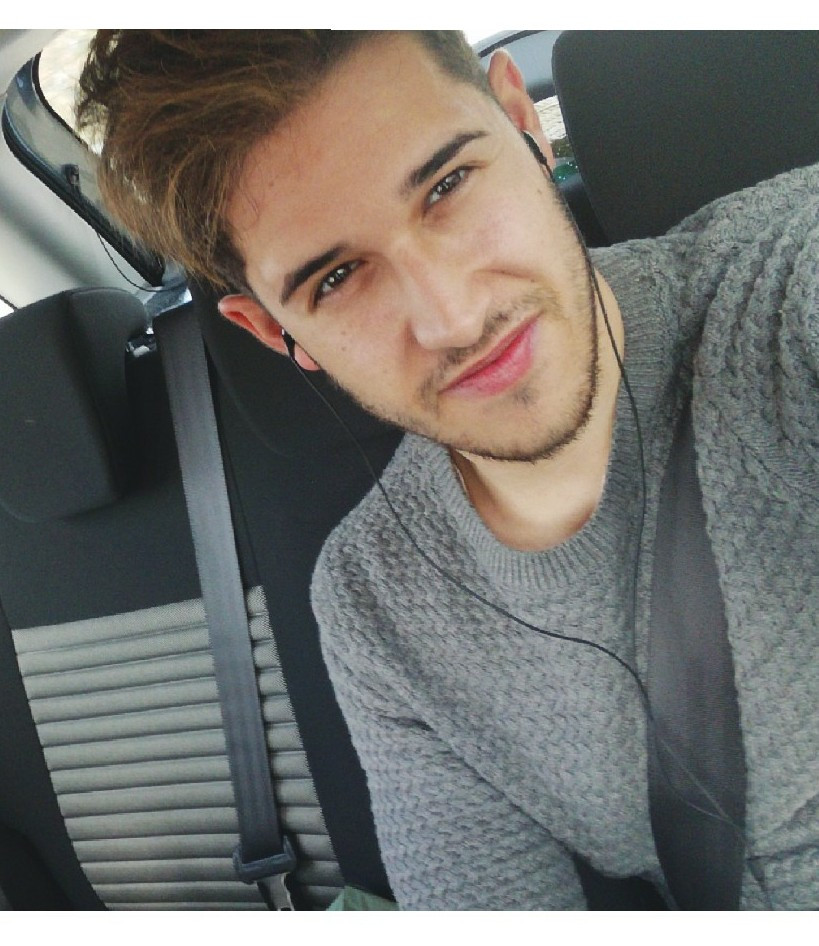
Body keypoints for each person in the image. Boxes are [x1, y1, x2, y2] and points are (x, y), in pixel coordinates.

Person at [77, 30, 817, 910]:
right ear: (273, 332)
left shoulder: (782, 298)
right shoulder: (375, 604)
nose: (454, 318)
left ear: (520, 120)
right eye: (338, 277)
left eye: (447, 185)